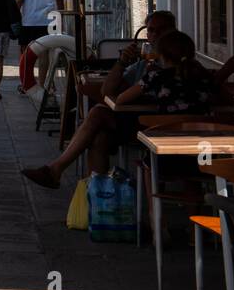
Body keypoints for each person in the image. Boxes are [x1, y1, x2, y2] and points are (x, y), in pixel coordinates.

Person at [22, 30, 216, 189]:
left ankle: (62, 173)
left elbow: (119, 100)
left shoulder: (155, 76)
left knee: (98, 114)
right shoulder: (205, 76)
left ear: (162, 55)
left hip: (158, 142)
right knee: (100, 136)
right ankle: (90, 193)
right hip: (202, 150)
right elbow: (224, 97)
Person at [15, 0, 65, 86]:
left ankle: (26, 83)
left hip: (29, 21)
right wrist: (61, 20)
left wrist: (13, 15)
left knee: (26, 53)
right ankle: (42, 84)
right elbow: (60, 1)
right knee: (44, 53)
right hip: (49, 21)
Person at [100, 10, 177, 100]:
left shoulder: (185, 67)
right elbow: (106, 92)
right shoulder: (142, 66)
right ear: (147, 35)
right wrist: (122, 62)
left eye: (162, 29)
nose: (155, 34)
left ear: (173, 32)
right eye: (151, 30)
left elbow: (120, 99)